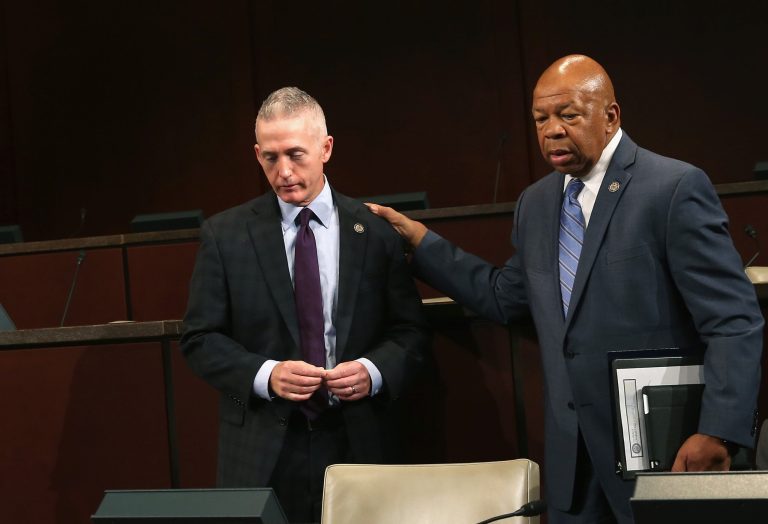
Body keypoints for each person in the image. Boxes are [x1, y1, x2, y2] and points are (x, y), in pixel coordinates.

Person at [369, 55, 763, 523]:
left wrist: (717, 433)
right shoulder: (536, 204)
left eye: (568, 115)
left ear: (611, 116)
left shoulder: (673, 188)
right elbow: (506, 297)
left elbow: (734, 321)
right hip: (575, 474)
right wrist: (422, 243)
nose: (552, 130)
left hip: (667, 458)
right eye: (541, 119)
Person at [181, 87, 429, 523]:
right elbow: (200, 339)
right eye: (270, 158)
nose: (283, 171)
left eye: (296, 154)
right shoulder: (225, 235)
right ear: (257, 154)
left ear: (326, 148)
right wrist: (267, 374)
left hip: (358, 440)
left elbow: (409, 331)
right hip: (264, 447)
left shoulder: (374, 232)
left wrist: (372, 372)